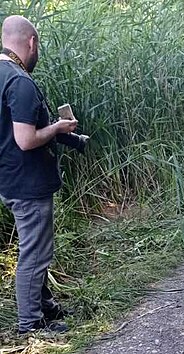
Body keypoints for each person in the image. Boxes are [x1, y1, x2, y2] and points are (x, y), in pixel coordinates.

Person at [0, 15, 81, 334]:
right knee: (35, 254)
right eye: (39, 45)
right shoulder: (19, 81)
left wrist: (65, 136)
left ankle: (46, 307)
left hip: (10, 179)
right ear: (31, 42)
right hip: (28, 183)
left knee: (35, 248)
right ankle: (30, 325)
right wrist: (59, 127)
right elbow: (25, 139)